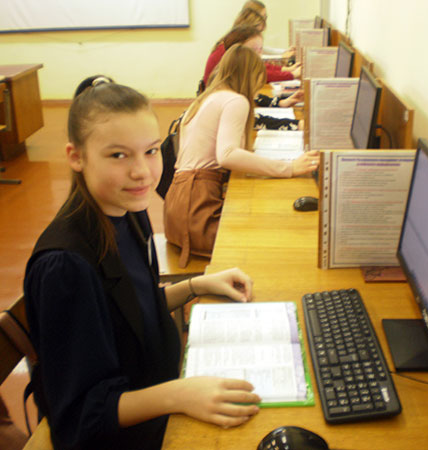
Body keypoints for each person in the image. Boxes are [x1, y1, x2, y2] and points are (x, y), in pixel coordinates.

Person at [23, 76, 261, 450]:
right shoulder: (66, 267)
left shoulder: (127, 211)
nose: (142, 172)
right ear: (76, 156)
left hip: (159, 392)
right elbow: (82, 415)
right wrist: (179, 395)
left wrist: (196, 285)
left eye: (151, 151)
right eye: (118, 155)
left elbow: (130, 311)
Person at [164, 45, 319, 267]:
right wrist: (289, 168)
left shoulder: (209, 96)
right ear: (250, 75)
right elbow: (228, 155)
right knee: (277, 236)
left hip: (178, 210)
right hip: (197, 214)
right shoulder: (235, 101)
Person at [202, 25, 304, 130]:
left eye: (260, 50)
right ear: (236, 52)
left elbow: (254, 98)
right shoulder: (229, 92)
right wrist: (297, 124)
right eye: (252, 51)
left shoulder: (233, 77)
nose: (259, 56)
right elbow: (252, 121)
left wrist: (280, 103)